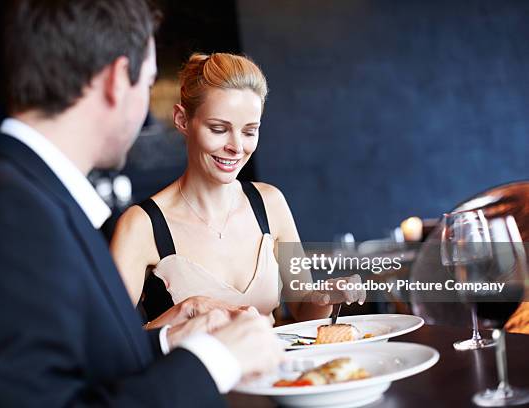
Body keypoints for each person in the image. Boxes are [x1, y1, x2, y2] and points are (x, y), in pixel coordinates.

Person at [0, 1, 283, 406]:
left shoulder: (27, 197)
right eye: (146, 84)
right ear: (114, 81)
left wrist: (165, 339)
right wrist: (214, 361)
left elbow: (54, 373)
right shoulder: (2, 211)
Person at [111, 53, 366, 328]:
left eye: (249, 131)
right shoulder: (141, 226)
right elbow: (111, 345)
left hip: (281, 370)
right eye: (219, 129)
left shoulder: (270, 203)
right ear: (182, 120)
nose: (237, 147)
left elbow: (302, 308)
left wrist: (326, 295)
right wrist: (186, 310)